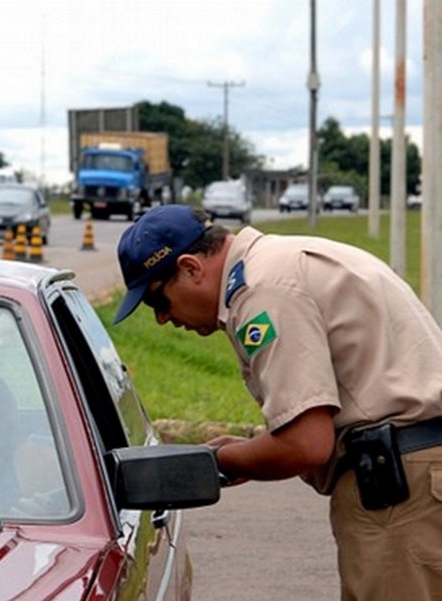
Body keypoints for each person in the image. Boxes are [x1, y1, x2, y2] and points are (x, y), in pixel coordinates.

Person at [113, 204, 442, 601]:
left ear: (191, 268)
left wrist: (219, 462)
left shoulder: (261, 289)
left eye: (157, 301)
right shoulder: (283, 259)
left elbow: (306, 443)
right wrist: (250, 451)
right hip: (418, 474)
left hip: (400, 491)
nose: (163, 319)